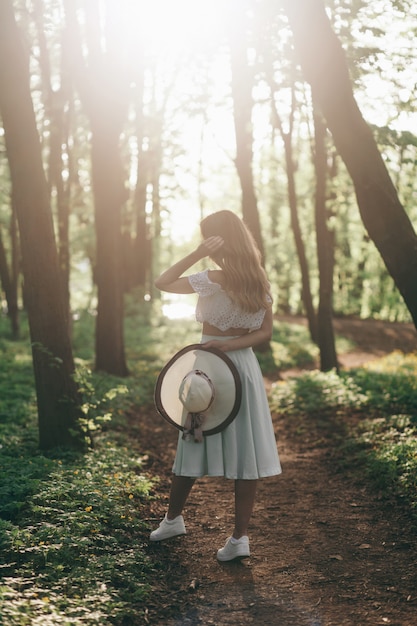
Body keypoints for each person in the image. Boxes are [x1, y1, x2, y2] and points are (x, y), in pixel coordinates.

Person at [150, 210, 282, 561]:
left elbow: (162, 281)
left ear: (216, 240)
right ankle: (230, 536)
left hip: (211, 365)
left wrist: (195, 254)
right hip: (239, 366)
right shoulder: (258, 278)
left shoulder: (213, 277)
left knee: (193, 438)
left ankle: (179, 520)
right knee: (229, 445)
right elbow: (264, 333)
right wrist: (230, 346)